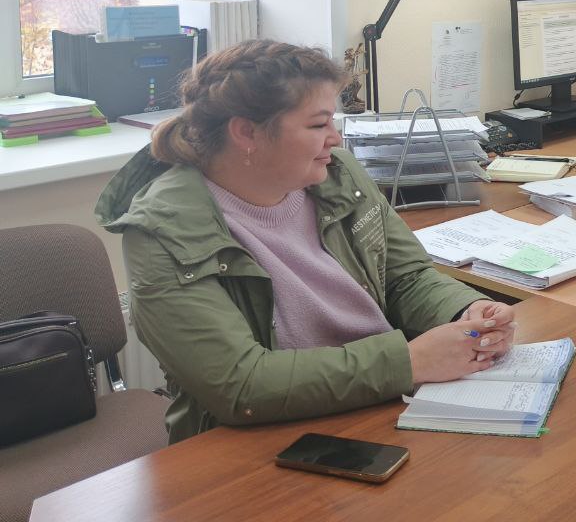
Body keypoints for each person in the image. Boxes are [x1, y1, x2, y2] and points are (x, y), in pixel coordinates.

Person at [96, 39, 516, 443]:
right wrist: (409, 362)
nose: (335, 138)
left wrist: (464, 311)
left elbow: (405, 277)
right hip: (261, 436)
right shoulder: (161, 231)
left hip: (380, 397)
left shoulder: (338, 172)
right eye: (318, 124)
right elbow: (241, 385)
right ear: (246, 133)